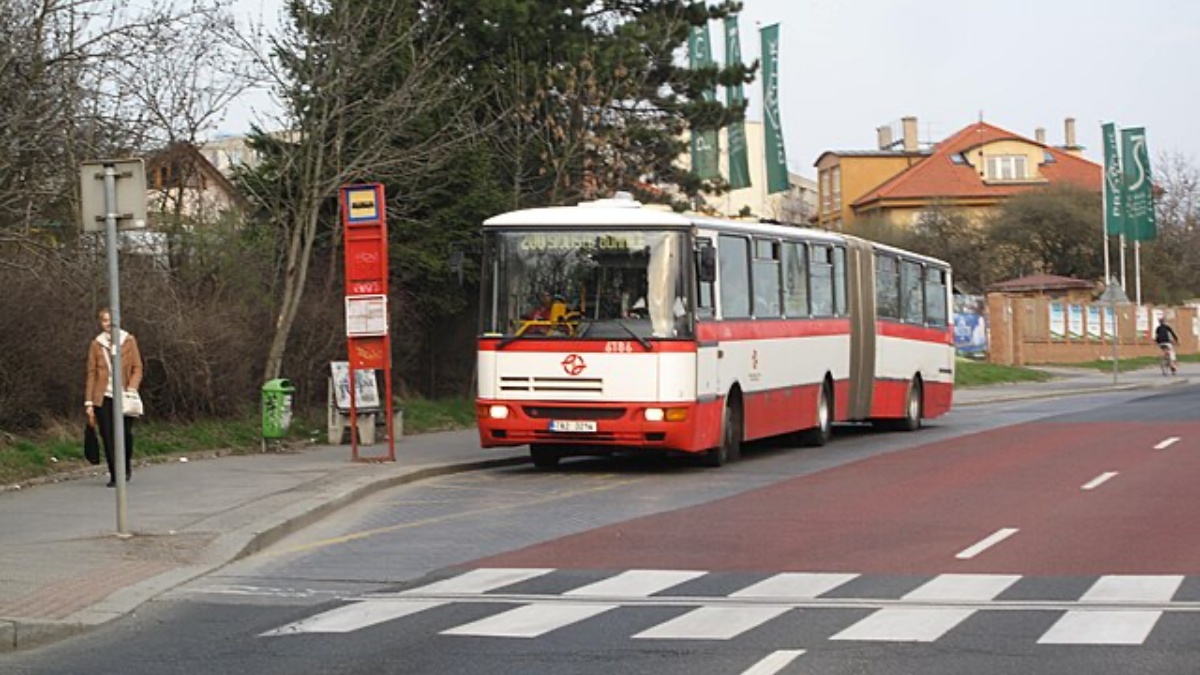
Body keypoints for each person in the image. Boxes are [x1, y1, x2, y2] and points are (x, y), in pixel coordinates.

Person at [85, 308, 144, 487]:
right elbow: (91, 373)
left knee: (125, 434)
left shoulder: (128, 340)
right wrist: (89, 402)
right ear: (100, 323)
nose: (108, 324)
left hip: (125, 396)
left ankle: (125, 467)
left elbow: (137, 367)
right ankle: (114, 474)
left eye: (111, 320)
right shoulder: (96, 344)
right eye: (104, 320)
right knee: (107, 435)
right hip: (103, 397)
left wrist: (132, 388)